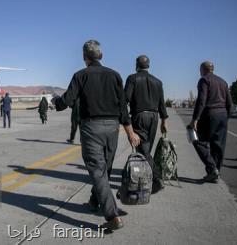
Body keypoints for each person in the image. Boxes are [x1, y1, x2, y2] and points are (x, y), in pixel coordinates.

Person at [52, 40, 140, 232]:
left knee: (98, 172)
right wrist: (130, 132)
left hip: (92, 129)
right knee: (105, 168)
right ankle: (94, 201)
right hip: (112, 129)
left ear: (85, 57)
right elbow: (123, 107)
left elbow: (67, 101)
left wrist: (55, 101)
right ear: (100, 55)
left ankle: (112, 216)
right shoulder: (115, 75)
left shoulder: (80, 75)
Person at [124, 55, 168, 193]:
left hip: (140, 116)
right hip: (154, 117)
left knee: (143, 151)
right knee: (146, 149)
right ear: (148, 65)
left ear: (137, 65)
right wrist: (164, 121)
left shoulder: (132, 78)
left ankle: (156, 179)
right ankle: (146, 178)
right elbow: (162, 103)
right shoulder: (158, 82)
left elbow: (125, 99)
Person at [189, 61, 232, 183]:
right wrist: (226, 117)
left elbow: (201, 101)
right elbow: (230, 103)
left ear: (203, 69)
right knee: (218, 145)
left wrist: (195, 119)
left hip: (209, 115)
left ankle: (212, 169)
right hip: (222, 115)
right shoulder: (223, 82)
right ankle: (215, 173)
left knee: (198, 140)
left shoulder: (204, 80)